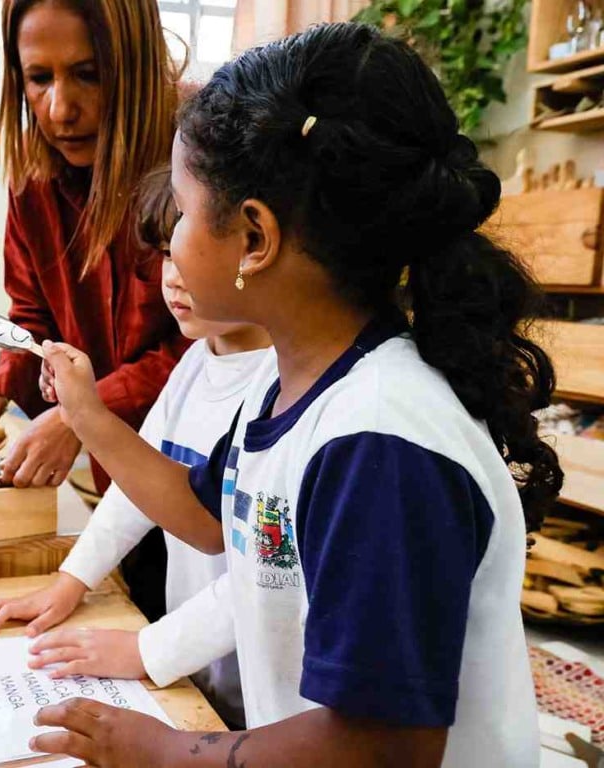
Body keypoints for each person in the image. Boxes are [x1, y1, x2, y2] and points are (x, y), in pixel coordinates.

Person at [29, 23, 560, 767]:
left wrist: (167, 750)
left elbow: (383, 743)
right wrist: (85, 415)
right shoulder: (288, 387)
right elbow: (208, 517)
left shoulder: (380, 443)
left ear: (254, 238)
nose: (171, 241)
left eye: (182, 210)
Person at [0, 0, 190, 620]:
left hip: (202, 475)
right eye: (38, 79)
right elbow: (32, 319)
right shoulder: (35, 182)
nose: (60, 110)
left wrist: (80, 415)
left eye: (89, 74)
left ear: (136, 67)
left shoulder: (191, 166)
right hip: (119, 489)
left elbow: (207, 346)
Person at [0, 168, 269, 726]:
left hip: (261, 699)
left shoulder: (280, 386)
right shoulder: (195, 365)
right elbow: (138, 487)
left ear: (257, 248)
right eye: (163, 256)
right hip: (197, 677)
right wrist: (72, 579)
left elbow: (263, 575)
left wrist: (146, 650)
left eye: (189, 253)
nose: (173, 279)